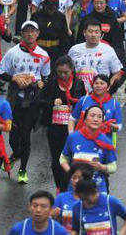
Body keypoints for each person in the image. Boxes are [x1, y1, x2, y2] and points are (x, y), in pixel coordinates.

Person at [0, 21, 52, 183]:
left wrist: (41, 83)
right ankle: (16, 153)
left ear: (38, 33)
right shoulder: (12, 53)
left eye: (32, 31)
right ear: (22, 34)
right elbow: (0, 72)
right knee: (13, 136)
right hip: (15, 98)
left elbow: (46, 76)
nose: (29, 34)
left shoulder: (43, 55)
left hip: (32, 99)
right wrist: (14, 78)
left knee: (26, 135)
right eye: (26, 31)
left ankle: (23, 169)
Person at [37, 55, 87, 191]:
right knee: (57, 157)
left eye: (66, 72)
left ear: (72, 70)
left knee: (70, 157)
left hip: (72, 128)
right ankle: (59, 186)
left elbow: (84, 103)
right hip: (55, 127)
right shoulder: (52, 84)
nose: (63, 75)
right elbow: (38, 101)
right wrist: (52, 102)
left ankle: (68, 186)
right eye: (60, 72)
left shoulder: (78, 84)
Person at [60, 105, 118, 193]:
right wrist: (72, 173)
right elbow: (63, 158)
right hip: (75, 188)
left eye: (99, 117)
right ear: (85, 119)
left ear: (102, 121)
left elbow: (113, 167)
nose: (95, 119)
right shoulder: (73, 137)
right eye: (92, 115)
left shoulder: (106, 142)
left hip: (97, 189)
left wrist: (101, 167)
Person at [67, 20, 124, 93]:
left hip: (99, 93)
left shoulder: (108, 50)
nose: (93, 35)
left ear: (100, 33)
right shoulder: (74, 50)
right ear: (84, 32)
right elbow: (68, 70)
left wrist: (109, 86)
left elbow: (117, 73)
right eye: (90, 31)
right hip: (77, 92)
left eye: (96, 32)